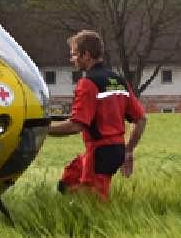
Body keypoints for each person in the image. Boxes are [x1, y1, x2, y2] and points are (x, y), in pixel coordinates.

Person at [46, 30, 146, 200]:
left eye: (74, 54)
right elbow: (141, 119)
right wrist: (128, 151)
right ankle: (71, 211)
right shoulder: (118, 81)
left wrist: (42, 130)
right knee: (68, 180)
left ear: (86, 55)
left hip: (99, 152)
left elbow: (76, 125)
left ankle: (94, 221)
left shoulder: (87, 84)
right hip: (116, 150)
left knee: (94, 203)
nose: (72, 59)